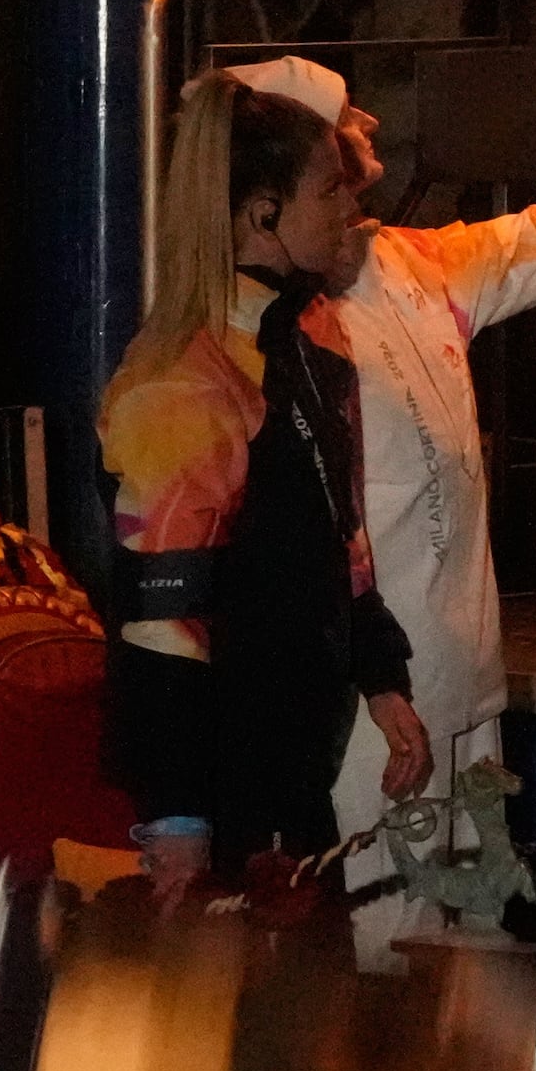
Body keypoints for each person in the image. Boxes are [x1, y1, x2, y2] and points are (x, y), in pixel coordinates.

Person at [226, 43, 536, 961]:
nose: (370, 132)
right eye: (344, 127)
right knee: (383, 944)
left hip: (465, 678)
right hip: (369, 711)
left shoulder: (415, 263)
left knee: (467, 945)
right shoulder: (255, 329)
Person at [99, 74, 431, 883]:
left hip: (295, 770)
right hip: (221, 786)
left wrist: (383, 681)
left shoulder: (310, 343)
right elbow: (160, 623)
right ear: (263, 215)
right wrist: (176, 819)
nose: (347, 211)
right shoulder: (185, 381)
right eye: (327, 192)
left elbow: (339, 544)